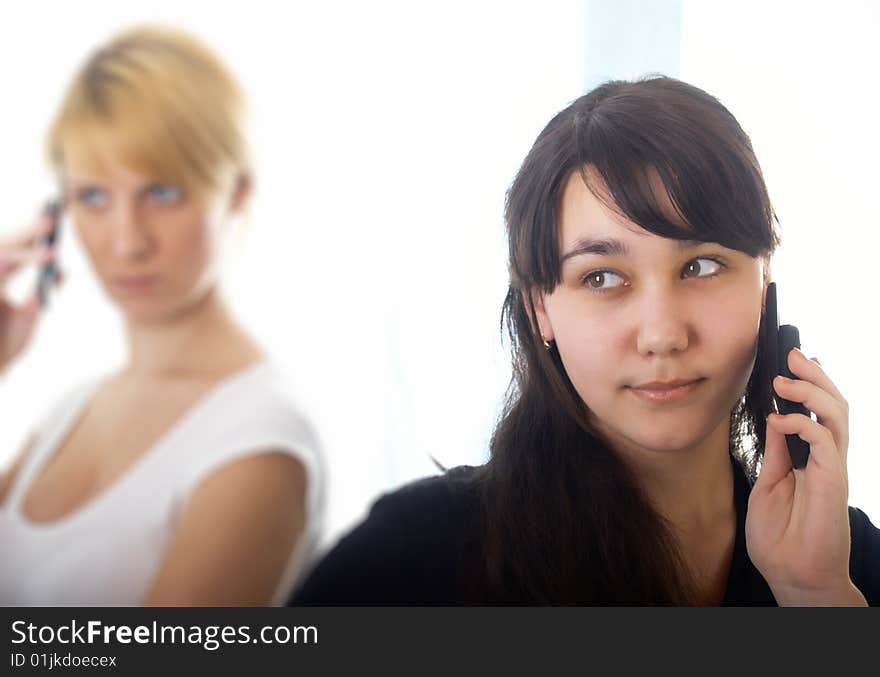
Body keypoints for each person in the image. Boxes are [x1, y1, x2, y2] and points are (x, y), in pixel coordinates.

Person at [290, 77, 878, 606]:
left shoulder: (842, 564)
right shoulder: (413, 559)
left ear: (764, 283)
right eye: (601, 278)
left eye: (701, 266)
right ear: (539, 306)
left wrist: (814, 595)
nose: (662, 335)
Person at [0, 24, 323, 606]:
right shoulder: (70, 410)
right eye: (93, 197)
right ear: (58, 212)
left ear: (237, 193)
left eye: (163, 193)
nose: (127, 242)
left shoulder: (257, 439)